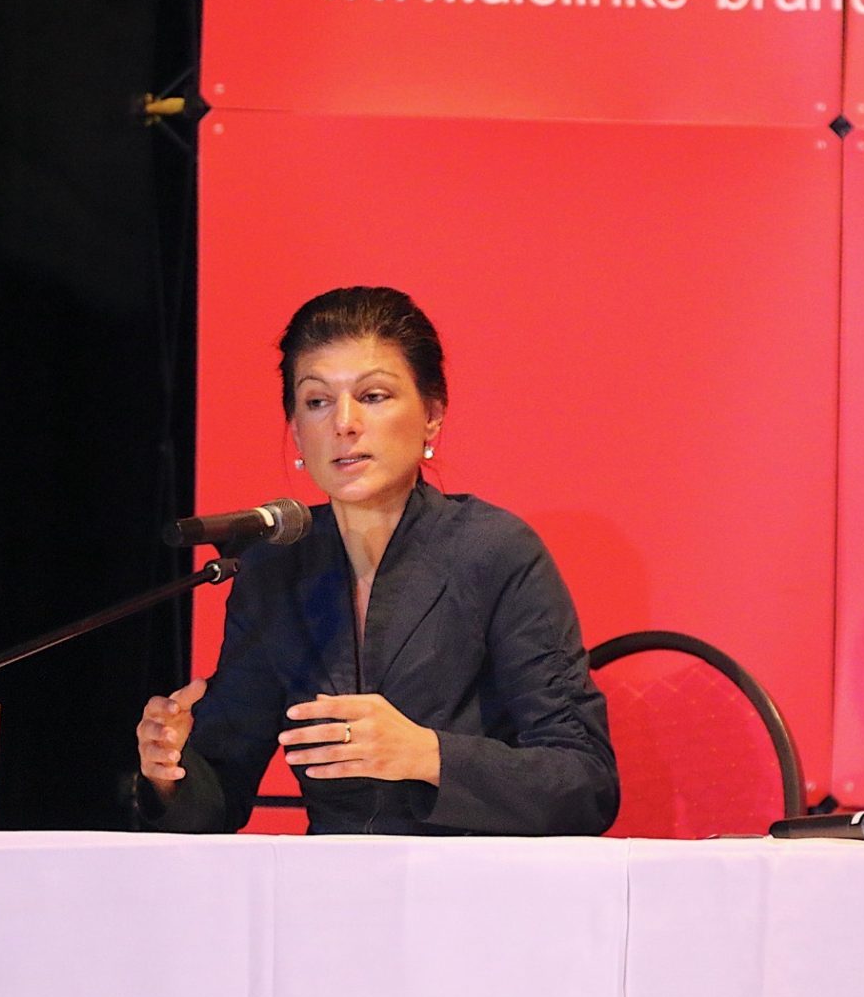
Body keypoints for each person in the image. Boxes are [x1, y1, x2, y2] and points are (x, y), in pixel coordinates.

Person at [135, 286, 617, 836]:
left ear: (432, 415)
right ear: (296, 429)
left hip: (477, 895)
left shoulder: (494, 552)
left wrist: (426, 755)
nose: (343, 423)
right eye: (317, 401)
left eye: (373, 396)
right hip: (329, 899)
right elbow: (220, 792)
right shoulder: (277, 567)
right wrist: (169, 771)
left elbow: (585, 783)